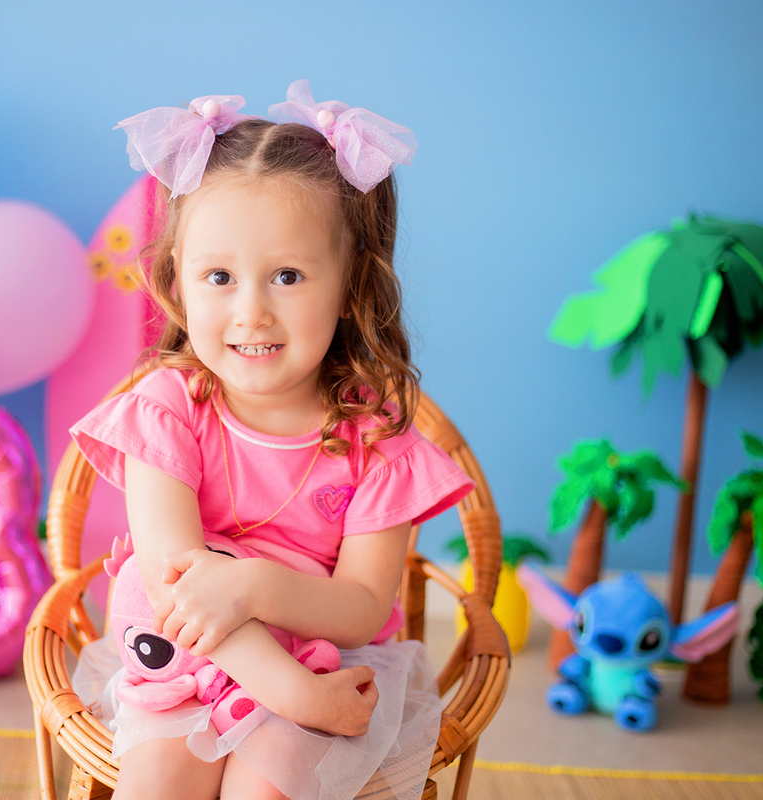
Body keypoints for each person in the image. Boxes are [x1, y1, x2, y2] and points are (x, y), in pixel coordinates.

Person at [69, 80, 475, 800]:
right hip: (189, 657)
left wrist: (256, 588)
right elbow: (174, 587)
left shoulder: (373, 440)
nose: (250, 311)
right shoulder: (167, 409)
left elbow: (359, 605)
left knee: (270, 786)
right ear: (178, 284)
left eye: (287, 276)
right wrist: (289, 689)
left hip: (325, 659)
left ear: (350, 286)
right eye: (219, 277)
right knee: (159, 775)